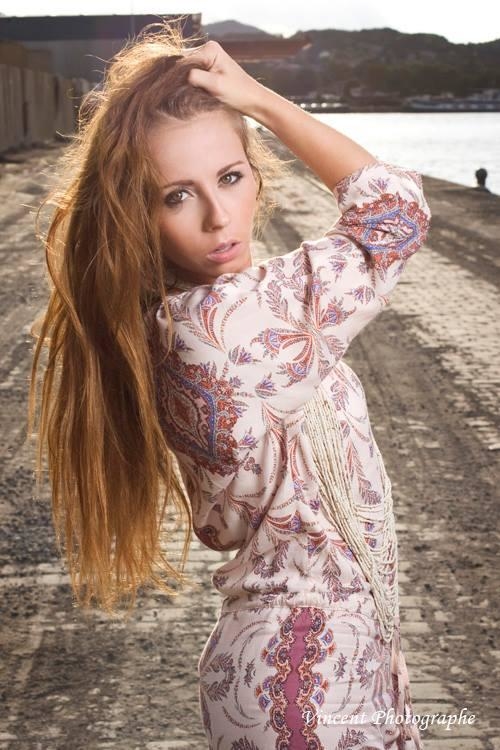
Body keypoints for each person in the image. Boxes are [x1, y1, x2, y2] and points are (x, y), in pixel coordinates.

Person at [28, 22, 431, 750]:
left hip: (330, 657)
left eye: (231, 177)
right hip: (304, 677)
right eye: (176, 195)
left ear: (255, 174)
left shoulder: (169, 320)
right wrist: (260, 101)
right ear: (136, 214)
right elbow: (394, 211)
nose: (218, 218)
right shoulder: (223, 324)